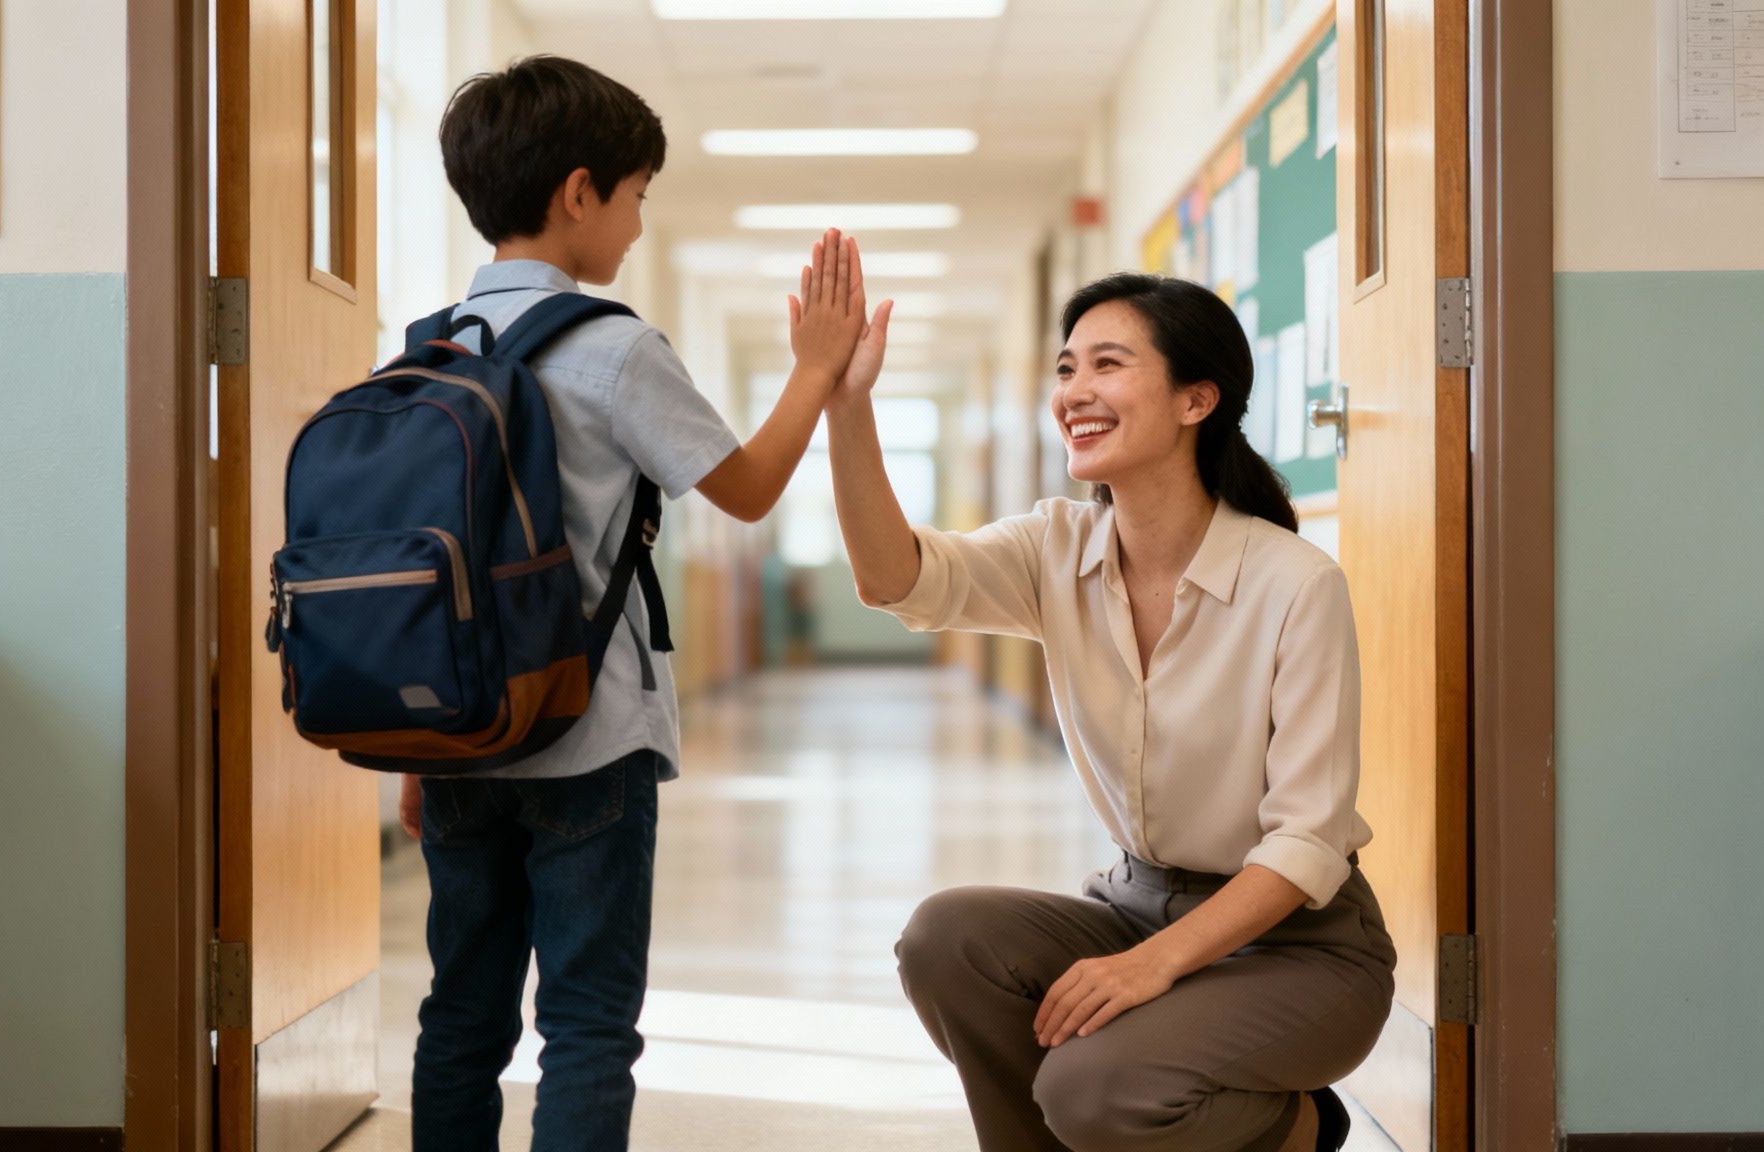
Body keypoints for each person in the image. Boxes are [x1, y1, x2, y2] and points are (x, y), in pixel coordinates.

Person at [398, 55, 868, 1152]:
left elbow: (436, 572)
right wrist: (813, 370)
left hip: (459, 738)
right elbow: (745, 493)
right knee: (587, 1026)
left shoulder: (425, 349)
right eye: (636, 197)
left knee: (459, 1016)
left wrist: (425, 750)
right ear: (579, 193)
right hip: (589, 738)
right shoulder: (611, 347)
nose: (638, 227)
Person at [820, 271, 1396, 1152]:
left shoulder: (1295, 584)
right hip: (1135, 901)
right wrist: (847, 405)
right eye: (1065, 368)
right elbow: (894, 579)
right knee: (947, 940)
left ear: (1196, 399)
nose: (1073, 394)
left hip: (1299, 946)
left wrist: (1148, 967)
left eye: (1107, 365)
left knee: (1095, 1086)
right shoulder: (1057, 547)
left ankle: (1298, 1126)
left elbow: (1307, 842)